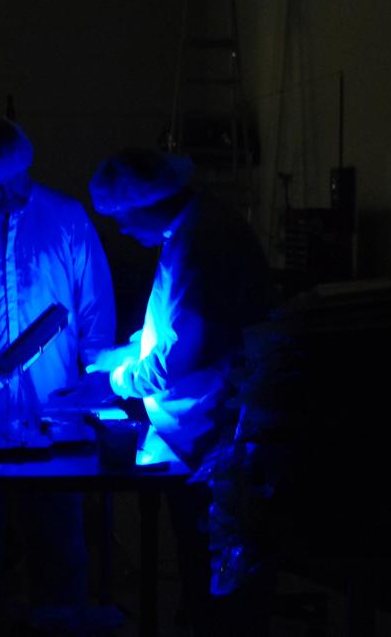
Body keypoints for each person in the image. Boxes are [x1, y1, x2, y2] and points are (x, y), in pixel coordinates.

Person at [0, 116, 116, 613]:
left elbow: (94, 308)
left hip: (53, 418)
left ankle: (59, 620)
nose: (2, 196)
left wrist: (99, 384)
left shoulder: (67, 220)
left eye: (9, 183)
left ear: (26, 167)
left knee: (58, 547)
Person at [82, 147, 274, 635]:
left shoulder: (200, 240)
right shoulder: (194, 229)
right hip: (197, 430)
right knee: (200, 556)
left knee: (208, 561)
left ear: (145, 203)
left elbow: (181, 355)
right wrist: (125, 353)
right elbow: (173, 327)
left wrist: (116, 380)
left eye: (123, 219)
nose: (123, 232)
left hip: (211, 436)